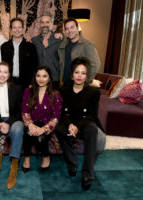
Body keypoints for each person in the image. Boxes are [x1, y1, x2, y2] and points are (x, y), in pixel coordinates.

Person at [55, 57, 105, 190]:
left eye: (83, 73)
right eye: (77, 72)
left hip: (85, 123)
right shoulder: (63, 90)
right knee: (59, 129)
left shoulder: (94, 92)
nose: (79, 76)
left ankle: (87, 174)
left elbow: (92, 116)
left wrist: (77, 127)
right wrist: (70, 125)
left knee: (92, 130)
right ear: (72, 74)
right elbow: (62, 113)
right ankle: (72, 163)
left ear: (87, 76)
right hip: (69, 122)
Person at [21, 66, 62, 173]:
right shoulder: (28, 91)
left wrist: (44, 129)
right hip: (32, 122)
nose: (41, 79)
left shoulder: (56, 95)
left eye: (44, 76)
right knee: (28, 133)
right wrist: (30, 125)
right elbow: (25, 111)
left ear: (49, 78)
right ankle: (26, 158)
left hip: (47, 124)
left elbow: (56, 117)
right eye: (38, 76)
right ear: (35, 77)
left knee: (41, 138)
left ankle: (46, 156)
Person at [58, 18, 101, 86]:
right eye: (67, 28)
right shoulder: (64, 44)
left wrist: (85, 81)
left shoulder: (87, 44)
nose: (69, 31)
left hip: (80, 85)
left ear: (78, 28)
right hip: (65, 84)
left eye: (72, 27)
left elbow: (96, 65)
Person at [1, 18, 38, 89]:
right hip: (9, 83)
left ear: (23, 29)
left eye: (19, 27)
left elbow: (35, 66)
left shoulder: (31, 46)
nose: (17, 30)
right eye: (14, 27)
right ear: (11, 29)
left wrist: (32, 83)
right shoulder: (4, 46)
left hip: (26, 84)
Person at [31, 12, 63, 89]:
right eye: (42, 22)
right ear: (40, 24)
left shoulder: (59, 39)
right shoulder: (34, 40)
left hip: (54, 79)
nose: (45, 25)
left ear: (52, 23)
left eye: (47, 22)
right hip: (39, 79)